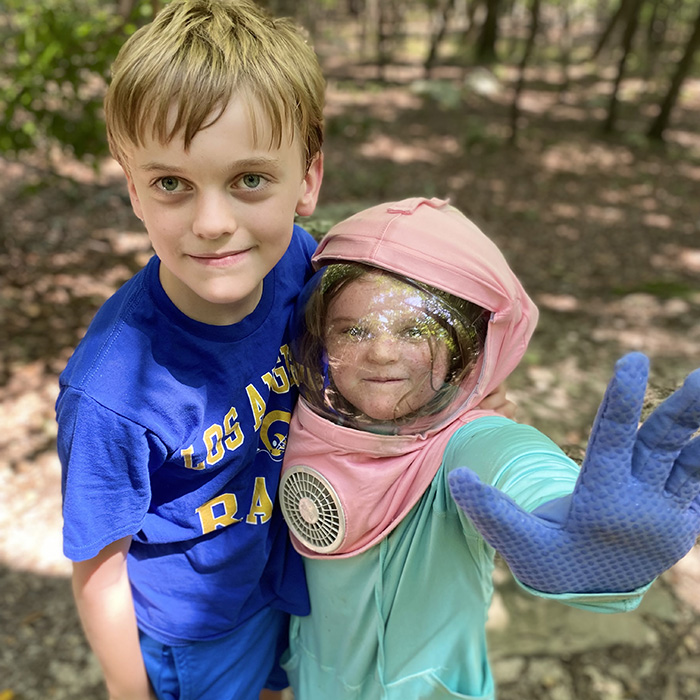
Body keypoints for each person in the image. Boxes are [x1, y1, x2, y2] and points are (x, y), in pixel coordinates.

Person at [278, 196, 700, 699]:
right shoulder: (298, 418)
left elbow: (513, 461)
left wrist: (573, 528)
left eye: (414, 330)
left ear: (468, 345)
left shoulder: (466, 440)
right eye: (353, 330)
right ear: (319, 340)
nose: (382, 352)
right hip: (308, 677)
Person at [55, 1, 325, 698]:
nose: (213, 223)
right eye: (172, 183)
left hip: (285, 569)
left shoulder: (305, 262)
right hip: (197, 631)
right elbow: (99, 565)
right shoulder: (113, 393)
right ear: (135, 193)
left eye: (249, 179)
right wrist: (129, 691)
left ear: (308, 179)